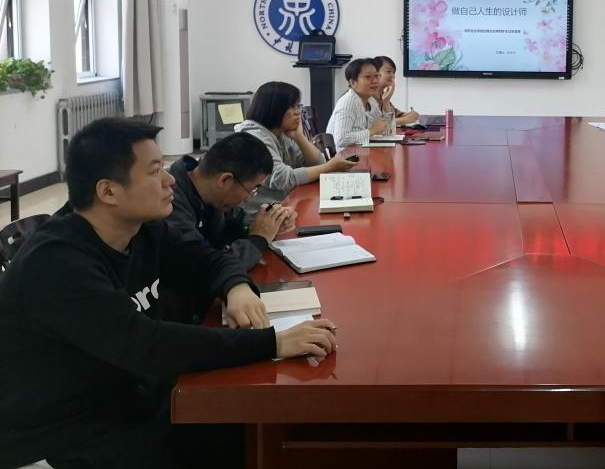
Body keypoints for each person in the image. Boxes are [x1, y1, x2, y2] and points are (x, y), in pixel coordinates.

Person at [0, 118, 338, 469]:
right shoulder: (56, 262)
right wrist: (273, 343)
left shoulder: (144, 229)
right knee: (237, 437)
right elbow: (148, 345)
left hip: (129, 398)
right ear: (108, 191)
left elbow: (207, 259)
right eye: (154, 171)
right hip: (60, 434)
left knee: (256, 428)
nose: (170, 179)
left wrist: (235, 286)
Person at [167, 132, 296, 273]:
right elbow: (204, 267)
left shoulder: (212, 195)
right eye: (252, 189)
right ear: (225, 180)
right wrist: (258, 240)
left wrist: (269, 223)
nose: (248, 198)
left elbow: (237, 219)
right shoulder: (169, 203)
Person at [235, 81, 356, 211]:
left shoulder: (283, 133)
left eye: (298, 106)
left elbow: (317, 163)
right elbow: (283, 179)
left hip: (283, 205)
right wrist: (329, 166)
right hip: (258, 214)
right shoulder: (253, 137)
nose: (298, 112)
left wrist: (299, 137)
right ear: (274, 108)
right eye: (292, 107)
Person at [326, 58, 392, 147]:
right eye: (368, 77)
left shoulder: (371, 101)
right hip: (346, 154)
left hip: (362, 151)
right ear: (353, 82)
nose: (375, 81)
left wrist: (386, 101)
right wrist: (371, 131)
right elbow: (340, 140)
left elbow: (385, 129)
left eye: (376, 76)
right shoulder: (348, 102)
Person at [372, 55, 420, 127]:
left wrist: (412, 115)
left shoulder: (383, 94)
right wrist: (405, 120)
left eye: (393, 72)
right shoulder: (367, 96)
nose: (393, 76)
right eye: (388, 71)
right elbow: (377, 123)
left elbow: (396, 115)